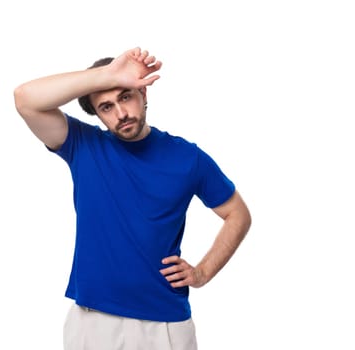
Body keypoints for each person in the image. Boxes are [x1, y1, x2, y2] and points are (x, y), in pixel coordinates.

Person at [13, 47, 251, 350]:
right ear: (97, 114)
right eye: (106, 107)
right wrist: (106, 74)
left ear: (144, 95)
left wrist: (203, 272)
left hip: (164, 322)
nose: (121, 113)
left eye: (125, 97)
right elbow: (25, 99)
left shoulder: (188, 158)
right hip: (93, 319)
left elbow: (238, 214)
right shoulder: (83, 146)